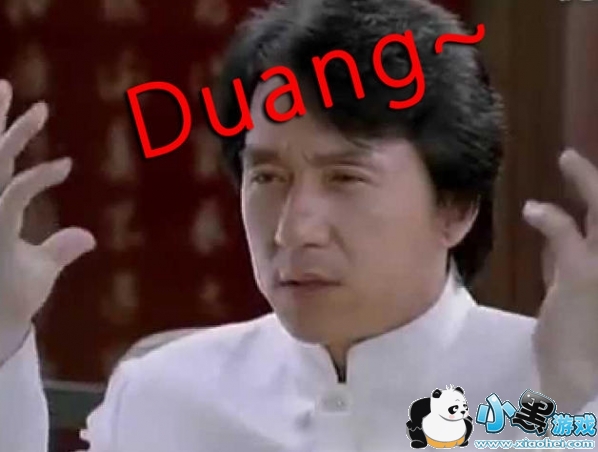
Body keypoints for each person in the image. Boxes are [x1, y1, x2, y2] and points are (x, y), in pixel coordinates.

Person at [1, 0, 597, 451]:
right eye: (267, 177)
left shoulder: (554, 392)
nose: (294, 230)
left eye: (345, 178)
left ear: (455, 207)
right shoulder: (163, 395)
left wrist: (577, 396)